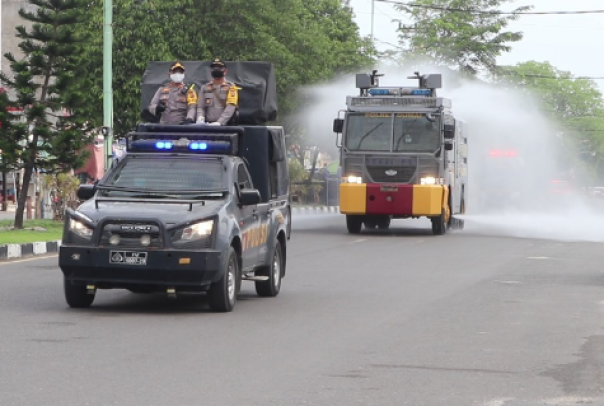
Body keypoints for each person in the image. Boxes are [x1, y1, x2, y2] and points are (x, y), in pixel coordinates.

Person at [196, 58, 240, 126]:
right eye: (214, 68)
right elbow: (200, 107)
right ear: (210, 70)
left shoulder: (231, 87)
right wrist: (200, 117)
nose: (216, 70)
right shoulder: (205, 88)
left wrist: (220, 122)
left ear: (225, 71)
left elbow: (230, 107)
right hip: (208, 125)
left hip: (225, 126)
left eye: (219, 68)